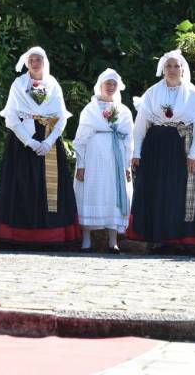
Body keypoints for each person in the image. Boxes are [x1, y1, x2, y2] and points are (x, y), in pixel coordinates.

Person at [0, 47, 79, 245]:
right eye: (31, 59)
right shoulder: (19, 84)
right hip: (22, 140)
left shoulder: (53, 84)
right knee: (21, 184)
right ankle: (18, 235)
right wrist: (29, 141)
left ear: (44, 61)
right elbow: (12, 116)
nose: (34, 63)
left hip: (48, 138)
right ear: (26, 63)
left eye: (38, 59)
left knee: (49, 187)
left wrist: (49, 141)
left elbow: (61, 116)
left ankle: (51, 236)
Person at [127, 50, 195, 249]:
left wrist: (194, 153)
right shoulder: (153, 92)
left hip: (180, 146)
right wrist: (136, 152)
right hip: (155, 146)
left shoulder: (192, 93)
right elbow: (140, 125)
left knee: (177, 190)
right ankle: (156, 237)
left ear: (182, 69)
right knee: (155, 190)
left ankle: (178, 239)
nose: (172, 70)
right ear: (163, 69)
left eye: (176, 66)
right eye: (168, 66)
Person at [73, 68, 134, 254]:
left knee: (113, 194)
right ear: (100, 85)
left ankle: (113, 241)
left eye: (114, 84)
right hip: (93, 157)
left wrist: (127, 165)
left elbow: (129, 140)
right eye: (108, 83)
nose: (111, 86)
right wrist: (81, 164)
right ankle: (86, 239)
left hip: (115, 159)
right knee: (90, 192)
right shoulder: (90, 109)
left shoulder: (123, 110)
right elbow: (81, 139)